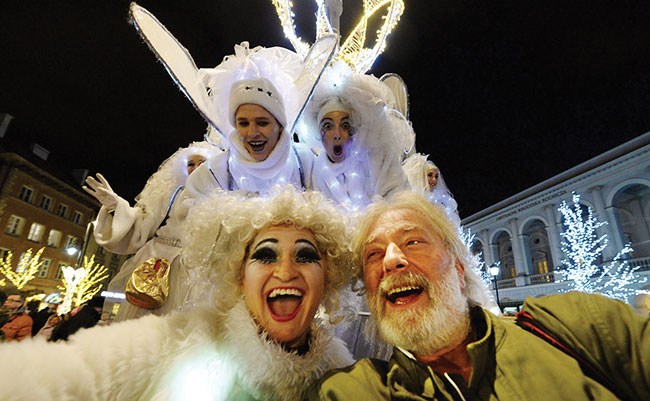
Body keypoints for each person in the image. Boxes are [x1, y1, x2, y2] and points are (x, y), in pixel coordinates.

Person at [0, 187, 353, 401]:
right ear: (239, 275)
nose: (285, 271)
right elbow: (58, 378)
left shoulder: (343, 377)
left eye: (306, 256)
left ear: (328, 279)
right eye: (265, 255)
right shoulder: (177, 341)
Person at [307, 191, 650, 400]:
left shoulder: (576, 325)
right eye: (373, 254)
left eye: (413, 241)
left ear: (458, 267)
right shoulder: (355, 392)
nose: (392, 259)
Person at [84, 141, 217, 321]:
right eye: (191, 164)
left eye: (202, 163)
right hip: (158, 261)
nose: (195, 168)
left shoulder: (220, 197)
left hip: (193, 269)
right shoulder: (173, 193)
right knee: (142, 321)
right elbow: (142, 223)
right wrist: (116, 206)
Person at [186, 43, 314, 197]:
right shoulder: (213, 173)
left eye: (262, 123)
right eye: (244, 123)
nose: (252, 133)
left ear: (279, 125)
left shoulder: (306, 163)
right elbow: (186, 214)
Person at [300, 62, 410, 212]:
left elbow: (401, 202)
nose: (337, 135)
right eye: (328, 126)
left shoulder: (373, 162)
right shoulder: (311, 170)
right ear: (318, 131)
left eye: (345, 126)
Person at [403, 153, 460, 226]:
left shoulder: (441, 201)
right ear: (420, 176)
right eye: (430, 175)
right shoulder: (413, 200)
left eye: (436, 176)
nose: (434, 179)